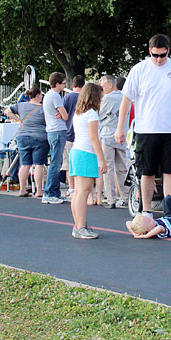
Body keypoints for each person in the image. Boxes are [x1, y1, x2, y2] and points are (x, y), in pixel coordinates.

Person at [115, 34, 171, 210]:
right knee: (147, 172)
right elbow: (126, 101)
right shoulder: (139, 69)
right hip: (146, 130)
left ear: (168, 51)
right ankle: (146, 210)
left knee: (170, 173)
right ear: (149, 51)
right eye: (155, 55)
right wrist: (120, 127)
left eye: (162, 55)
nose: (159, 59)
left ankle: (170, 211)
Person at [67, 82, 106, 240]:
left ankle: (78, 224)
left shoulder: (79, 112)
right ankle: (80, 227)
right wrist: (102, 160)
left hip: (77, 151)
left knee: (78, 191)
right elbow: (94, 138)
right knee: (83, 191)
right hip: (85, 153)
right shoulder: (91, 114)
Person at [8, 87, 47, 198]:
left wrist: (19, 119)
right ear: (38, 95)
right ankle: (39, 190)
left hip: (22, 136)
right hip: (39, 137)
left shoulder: (21, 106)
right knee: (38, 165)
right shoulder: (43, 108)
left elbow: (7, 111)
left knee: (25, 164)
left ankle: (22, 189)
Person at [96, 75, 128, 208]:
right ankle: (126, 196)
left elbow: (99, 115)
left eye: (103, 86)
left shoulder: (108, 98)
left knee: (107, 168)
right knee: (122, 168)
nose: (102, 89)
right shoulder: (125, 97)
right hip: (122, 136)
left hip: (108, 135)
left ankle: (111, 199)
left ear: (110, 84)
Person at [42, 72, 69, 205]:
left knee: (55, 162)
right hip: (58, 131)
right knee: (56, 163)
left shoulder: (48, 95)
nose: (65, 85)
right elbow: (65, 116)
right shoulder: (55, 96)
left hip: (52, 131)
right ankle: (49, 192)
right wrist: (63, 113)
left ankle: (54, 192)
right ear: (57, 83)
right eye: (63, 83)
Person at [62, 75, 84, 200]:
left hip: (68, 133)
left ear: (73, 85)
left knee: (68, 164)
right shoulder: (85, 97)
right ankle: (81, 187)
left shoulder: (67, 97)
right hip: (82, 135)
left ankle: (71, 188)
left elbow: (61, 113)